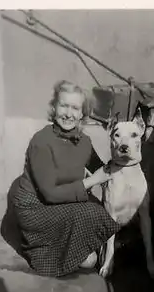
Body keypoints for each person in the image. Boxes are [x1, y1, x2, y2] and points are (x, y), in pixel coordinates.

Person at [7, 80, 120, 278]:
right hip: (36, 209)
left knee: (95, 212)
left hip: (61, 198)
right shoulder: (41, 141)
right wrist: (91, 182)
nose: (68, 113)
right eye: (63, 105)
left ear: (82, 113)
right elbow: (50, 193)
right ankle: (44, 249)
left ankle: (74, 246)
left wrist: (123, 149)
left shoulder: (84, 141)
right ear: (54, 107)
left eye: (75, 108)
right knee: (92, 215)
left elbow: (101, 169)